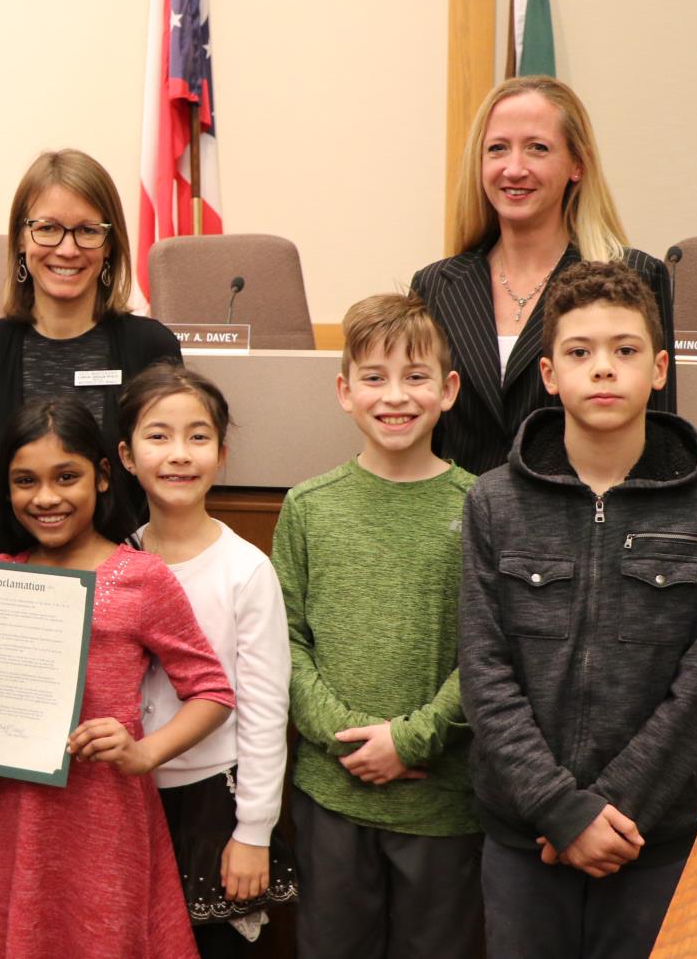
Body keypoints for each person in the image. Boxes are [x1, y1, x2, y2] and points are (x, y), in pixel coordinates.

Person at [460, 262, 697, 958]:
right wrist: (561, 810)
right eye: (580, 352)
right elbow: (485, 671)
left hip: (648, 835)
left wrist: (607, 811)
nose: (604, 369)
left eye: (625, 350)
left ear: (659, 368)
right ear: (551, 374)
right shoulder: (494, 502)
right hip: (526, 834)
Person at [0, 396, 234, 959]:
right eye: (25, 481)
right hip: (20, 815)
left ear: (104, 476)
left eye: (67, 477)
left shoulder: (140, 577)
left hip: (107, 812)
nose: (46, 498)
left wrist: (143, 753)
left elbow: (211, 691)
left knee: (106, 935)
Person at [273, 292, 483, 958]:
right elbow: (287, 642)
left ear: (448, 390)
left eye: (416, 375)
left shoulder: (483, 506)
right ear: (344, 390)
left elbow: (493, 651)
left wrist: (410, 740)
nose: (396, 395)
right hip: (331, 798)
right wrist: (350, 742)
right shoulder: (308, 507)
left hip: (443, 805)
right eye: (374, 376)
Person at [411, 75, 677, 475]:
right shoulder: (434, 286)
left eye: (537, 148)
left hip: (580, 524)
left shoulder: (633, 276)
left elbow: (659, 440)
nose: (514, 168)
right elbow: (424, 442)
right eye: (497, 149)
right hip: (458, 528)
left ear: (576, 164)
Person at [118, 364, 290, 956]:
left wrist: (254, 830)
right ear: (126, 455)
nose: (178, 454)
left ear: (221, 453)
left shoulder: (247, 569)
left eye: (198, 437)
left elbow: (266, 712)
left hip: (214, 802)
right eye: (158, 435)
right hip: (124, 801)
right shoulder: (116, 559)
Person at [0, 149, 181, 558]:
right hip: (8, 587)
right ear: (21, 239)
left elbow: (164, 485)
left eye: (88, 230)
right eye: (48, 228)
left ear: (110, 244)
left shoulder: (151, 347)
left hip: (130, 582)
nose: (68, 249)